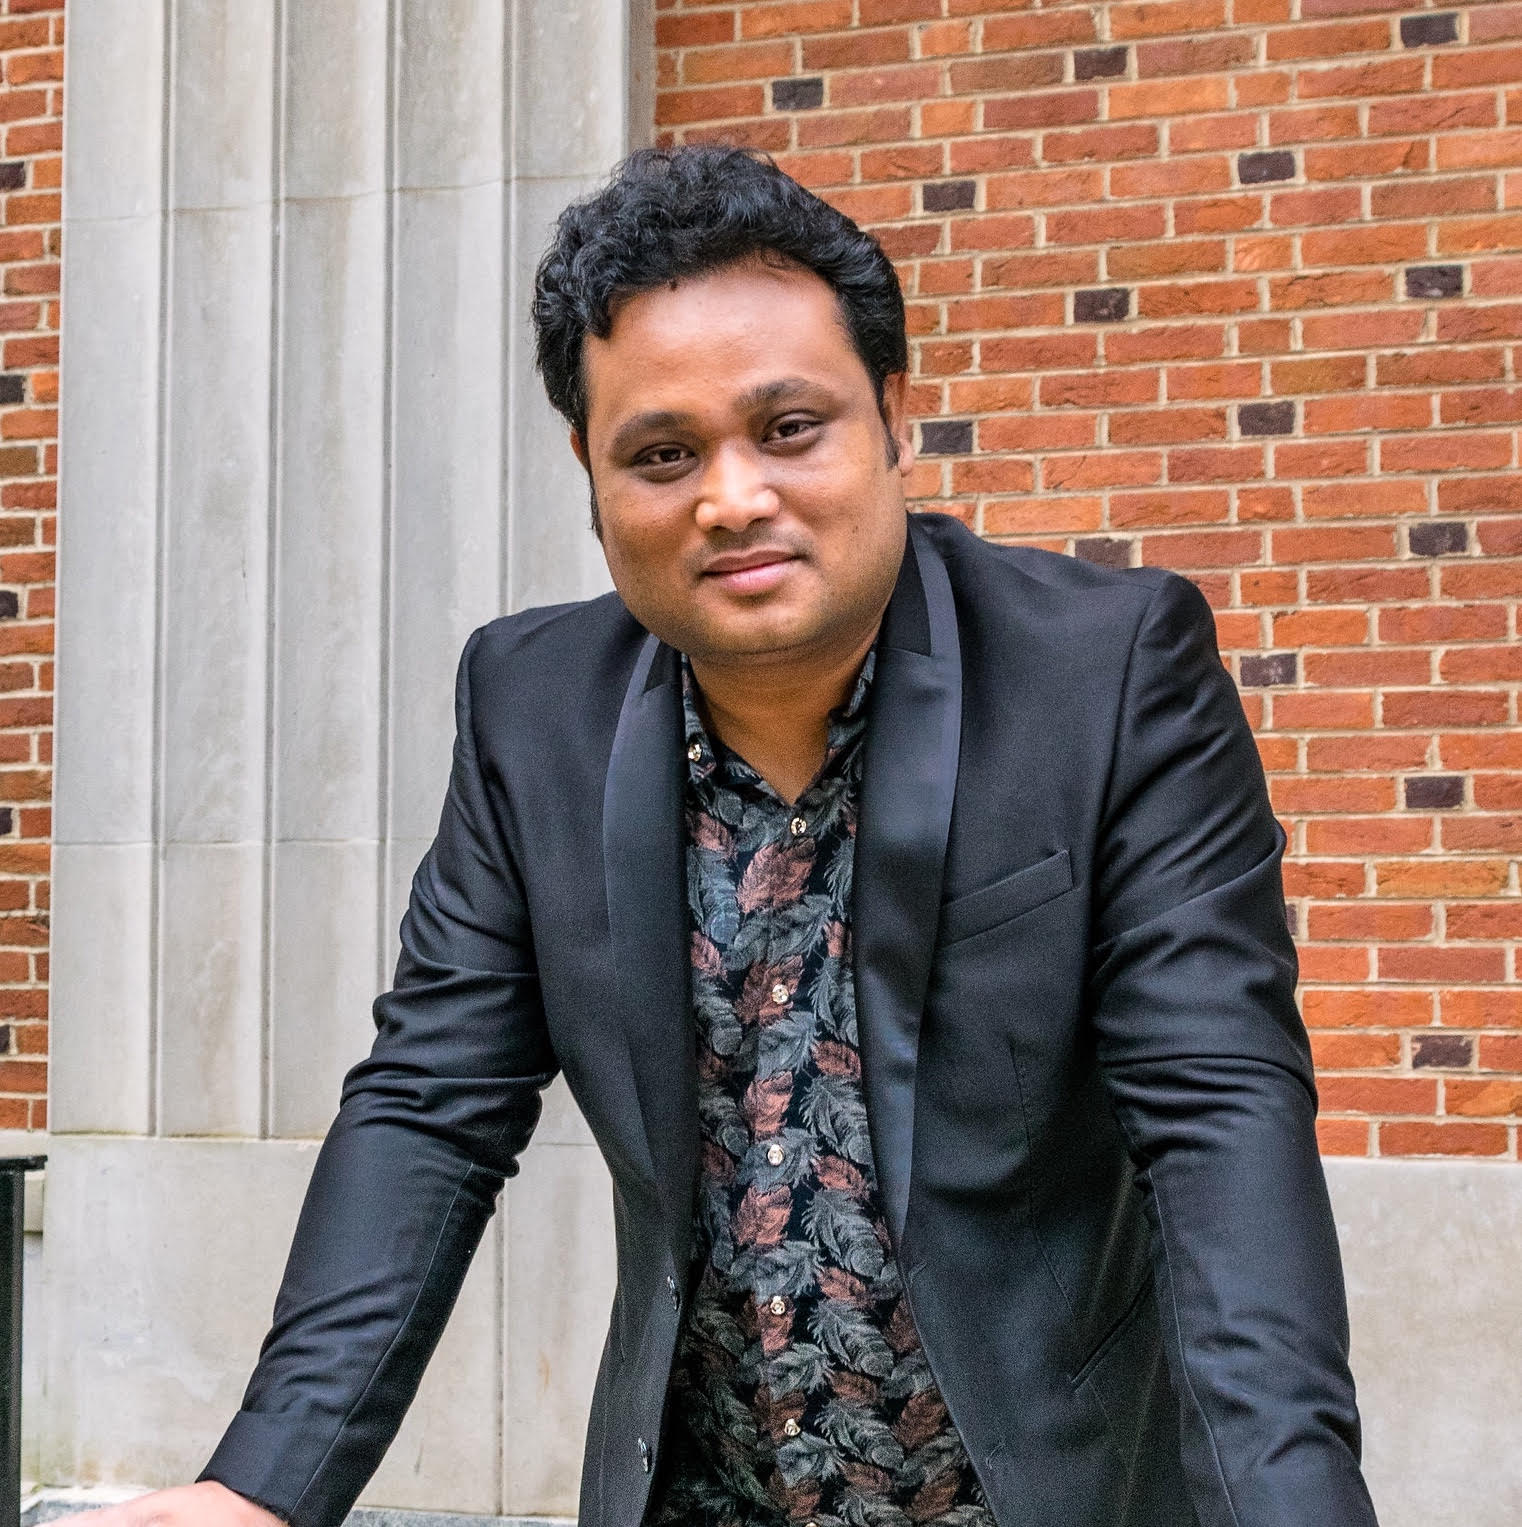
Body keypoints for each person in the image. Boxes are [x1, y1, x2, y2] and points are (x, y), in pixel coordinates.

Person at [71, 147, 1379, 1527]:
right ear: (591, 471)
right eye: (662, 452)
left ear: (890, 414)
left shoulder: (1106, 674)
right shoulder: (533, 712)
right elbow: (429, 1107)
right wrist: (260, 1488)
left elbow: (1216, 1108)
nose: (731, 496)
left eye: (788, 428)